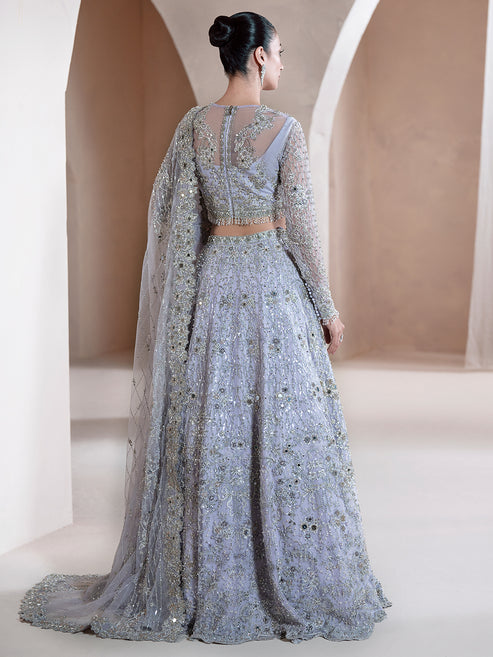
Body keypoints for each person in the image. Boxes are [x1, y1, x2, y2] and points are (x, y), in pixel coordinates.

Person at [18, 11, 391, 644]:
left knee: (216, 425)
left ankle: (211, 571)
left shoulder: (193, 127)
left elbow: (179, 232)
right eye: (280, 52)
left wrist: (181, 315)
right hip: (271, 288)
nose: (283, 63)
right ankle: (280, 572)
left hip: (215, 283)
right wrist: (326, 308)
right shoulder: (285, 131)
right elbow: (301, 232)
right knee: (281, 425)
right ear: (258, 57)